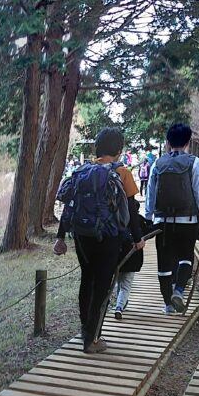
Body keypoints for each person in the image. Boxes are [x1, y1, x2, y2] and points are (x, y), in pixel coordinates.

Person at [53, 128, 137, 353]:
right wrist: (137, 239)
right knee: (102, 284)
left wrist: (60, 237)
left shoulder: (82, 171)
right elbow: (131, 209)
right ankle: (93, 338)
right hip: (108, 237)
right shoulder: (122, 172)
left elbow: (70, 204)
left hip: (82, 235)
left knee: (87, 279)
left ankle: (86, 330)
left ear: (97, 148)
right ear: (119, 151)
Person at [145, 122, 199, 314]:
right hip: (188, 221)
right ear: (188, 142)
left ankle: (168, 305)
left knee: (164, 264)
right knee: (186, 257)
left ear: (168, 142)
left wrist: (148, 217)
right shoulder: (194, 162)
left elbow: (151, 193)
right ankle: (179, 291)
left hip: (162, 223)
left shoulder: (157, 164)